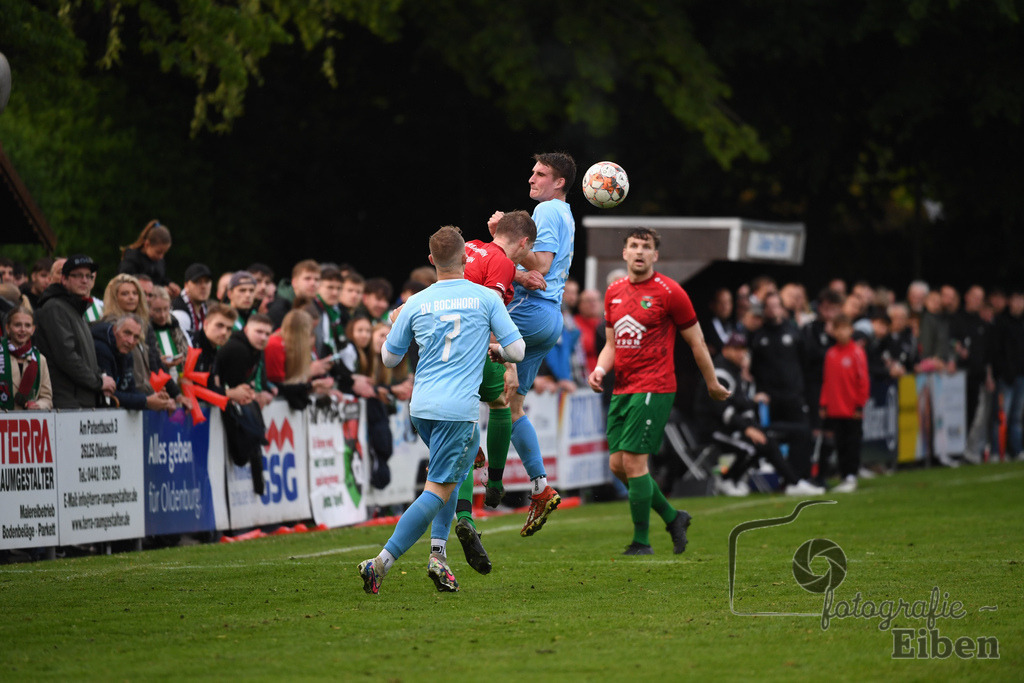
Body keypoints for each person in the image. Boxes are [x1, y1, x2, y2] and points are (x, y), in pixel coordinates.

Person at [357, 225, 524, 595]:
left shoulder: (416, 302)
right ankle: (380, 562)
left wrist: (394, 324)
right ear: (466, 257)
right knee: (437, 487)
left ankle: (439, 555)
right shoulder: (485, 298)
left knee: (450, 477)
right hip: (456, 410)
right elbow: (518, 350)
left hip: (422, 407)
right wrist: (497, 351)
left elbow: (388, 358)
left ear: (431, 260)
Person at [587, 227, 730, 555]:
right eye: (633, 246)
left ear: (655, 255)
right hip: (622, 387)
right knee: (617, 466)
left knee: (636, 464)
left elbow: (696, 342)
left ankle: (641, 542)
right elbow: (612, 344)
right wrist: (599, 368)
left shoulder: (670, 292)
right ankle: (672, 516)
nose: (639, 252)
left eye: (646, 247)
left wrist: (711, 382)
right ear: (624, 253)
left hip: (655, 386)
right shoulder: (613, 292)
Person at [485, 152, 577, 537]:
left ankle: (470, 456)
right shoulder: (564, 213)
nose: (532, 179)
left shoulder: (551, 211)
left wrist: (501, 235)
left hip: (528, 309)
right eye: (533, 172)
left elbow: (538, 263)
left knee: (462, 358)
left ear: (559, 183)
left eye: (541, 174)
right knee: (513, 404)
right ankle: (540, 487)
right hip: (548, 319)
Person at [446, 209, 536, 575]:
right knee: (500, 402)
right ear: (524, 243)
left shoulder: (472, 247)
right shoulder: (500, 262)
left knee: (463, 434)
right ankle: (495, 480)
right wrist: (507, 359)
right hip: (475, 347)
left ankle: (465, 513)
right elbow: (489, 307)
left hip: (442, 350)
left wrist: (520, 274)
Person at [692, 332, 822, 498]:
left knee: (767, 440)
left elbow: (741, 405)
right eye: (736, 349)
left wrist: (752, 424)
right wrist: (747, 429)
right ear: (726, 350)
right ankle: (726, 478)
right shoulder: (720, 373)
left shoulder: (735, 372)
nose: (741, 354)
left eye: (743, 349)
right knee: (750, 447)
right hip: (713, 429)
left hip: (731, 427)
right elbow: (723, 411)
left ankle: (794, 481)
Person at [749, 291, 816, 484]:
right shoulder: (758, 337)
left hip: (793, 396)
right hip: (771, 399)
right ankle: (782, 479)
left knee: (802, 435)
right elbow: (754, 369)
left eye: (776, 305)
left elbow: (804, 362)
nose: (773, 309)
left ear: (781, 307)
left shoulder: (794, 332)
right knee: (772, 438)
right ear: (764, 309)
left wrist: (799, 388)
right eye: (768, 306)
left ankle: (800, 477)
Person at [34, 255, 116, 408]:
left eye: (88, 276)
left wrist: (100, 376)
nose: (84, 280)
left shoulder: (75, 309)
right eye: (77, 276)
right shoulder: (55, 308)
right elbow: (67, 357)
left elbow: (83, 358)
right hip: (65, 403)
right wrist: (98, 382)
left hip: (79, 401)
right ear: (64, 279)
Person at [820, 315, 870, 492]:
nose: (841, 332)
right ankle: (844, 475)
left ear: (851, 330)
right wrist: (824, 404)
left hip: (851, 409)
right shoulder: (831, 354)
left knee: (852, 443)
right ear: (833, 331)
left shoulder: (857, 352)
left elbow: (863, 381)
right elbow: (827, 381)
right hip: (835, 409)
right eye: (838, 329)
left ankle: (851, 475)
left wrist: (859, 405)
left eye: (845, 328)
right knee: (839, 444)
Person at [92, 314, 176, 411]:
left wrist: (155, 397)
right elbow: (108, 396)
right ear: (115, 330)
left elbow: (129, 390)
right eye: (127, 333)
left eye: (136, 337)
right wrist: (146, 401)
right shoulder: (101, 349)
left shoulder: (126, 352)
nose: (131, 341)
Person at [264, 309, 334, 408]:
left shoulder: (289, 343)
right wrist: (310, 383)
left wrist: (311, 386)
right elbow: (279, 384)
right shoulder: (275, 345)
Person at [0, 304, 53, 410]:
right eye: (17, 325)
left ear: (33, 330)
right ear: (8, 328)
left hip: (29, 423)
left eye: (27, 325)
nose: (23, 329)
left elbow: (47, 398)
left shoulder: (40, 360)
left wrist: (38, 406)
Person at [118, 219, 180, 298]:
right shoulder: (131, 259)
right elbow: (126, 282)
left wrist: (169, 284)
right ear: (147, 244)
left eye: (164, 253)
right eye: (158, 252)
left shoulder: (159, 261)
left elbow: (160, 278)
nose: (161, 257)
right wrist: (160, 290)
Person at [149, 286, 190, 380]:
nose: (163, 315)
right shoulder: (146, 330)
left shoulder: (175, 325)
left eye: (166, 309)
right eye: (157, 310)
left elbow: (186, 354)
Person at [267, 260, 320, 328]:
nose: (313, 283)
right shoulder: (280, 309)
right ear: (294, 282)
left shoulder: (316, 306)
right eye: (307, 278)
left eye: (317, 279)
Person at [172, 263, 213, 342]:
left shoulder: (204, 308)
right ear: (186, 285)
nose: (203, 286)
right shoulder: (179, 313)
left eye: (207, 282)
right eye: (197, 282)